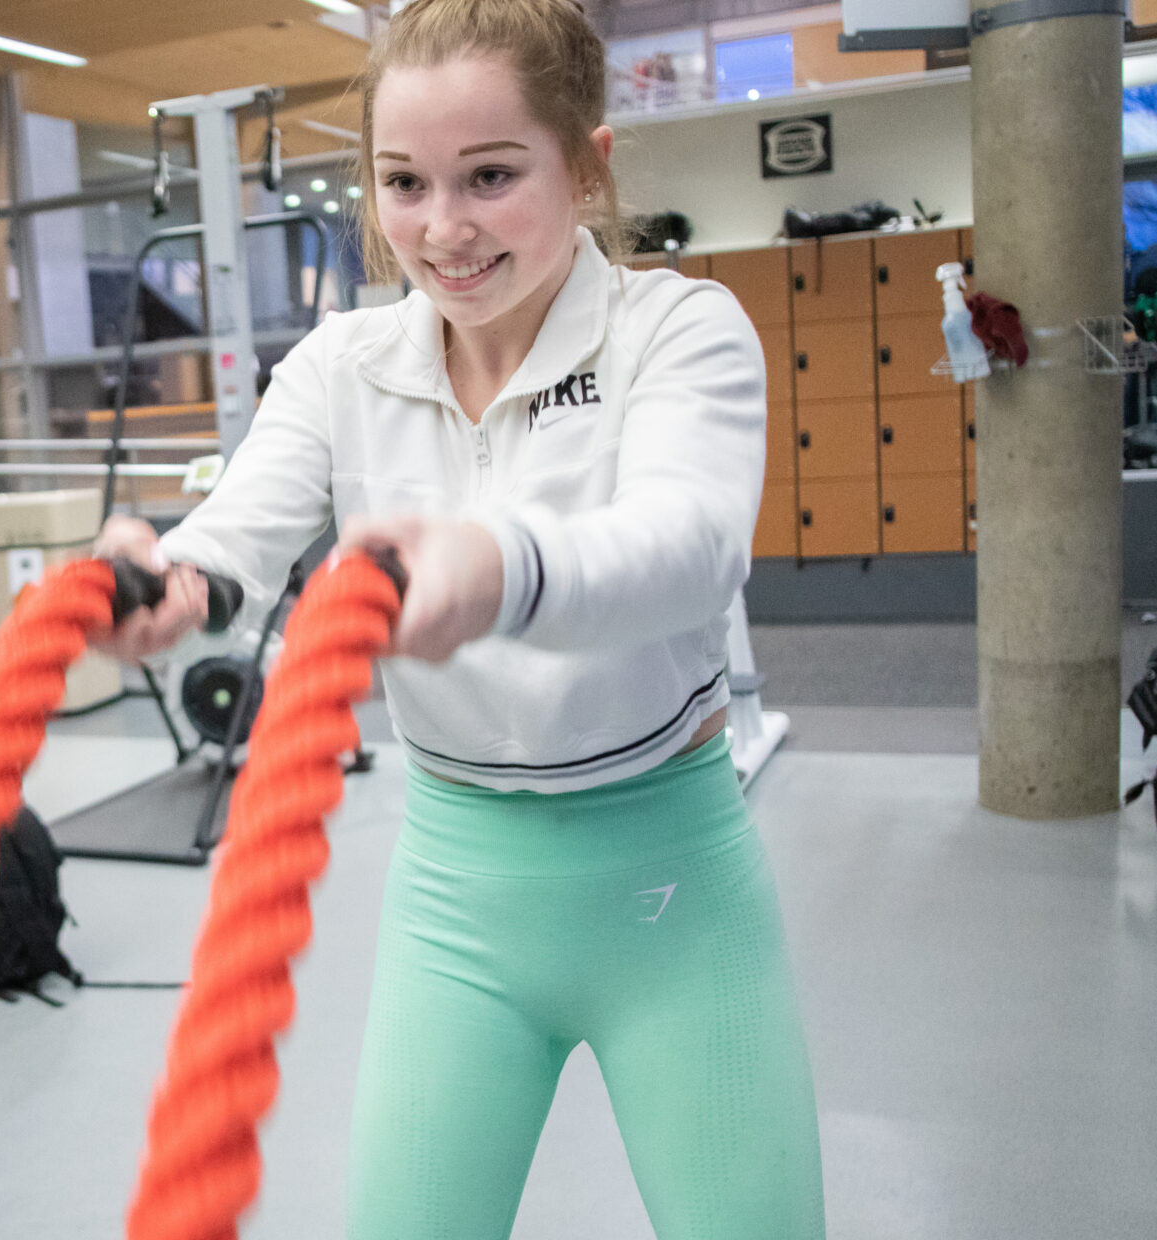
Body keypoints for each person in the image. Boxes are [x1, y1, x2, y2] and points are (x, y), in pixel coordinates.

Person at [92, 1, 824, 1235]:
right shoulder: (341, 366)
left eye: (491, 176)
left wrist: (496, 568)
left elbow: (688, 548)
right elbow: (237, 534)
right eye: (404, 183)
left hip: (673, 894)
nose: (444, 228)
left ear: (587, 166)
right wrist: (170, 582)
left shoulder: (677, 331)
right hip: (457, 903)